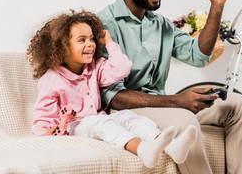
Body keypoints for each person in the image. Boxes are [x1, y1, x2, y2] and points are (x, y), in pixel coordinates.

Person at [97, 0, 242, 174]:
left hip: (161, 105)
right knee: (185, 121)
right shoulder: (105, 24)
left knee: (238, 106)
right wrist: (176, 101)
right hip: (126, 113)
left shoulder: (160, 24)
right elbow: (112, 96)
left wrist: (216, 6)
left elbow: (199, 56)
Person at [27, 10, 199, 169]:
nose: (90, 44)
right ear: (62, 47)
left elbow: (122, 68)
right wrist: (47, 135)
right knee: (100, 122)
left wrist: (109, 43)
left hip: (97, 119)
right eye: (82, 40)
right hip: (73, 128)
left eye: (92, 39)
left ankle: (170, 147)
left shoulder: (95, 67)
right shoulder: (51, 79)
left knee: (127, 117)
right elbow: (43, 119)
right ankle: (142, 150)